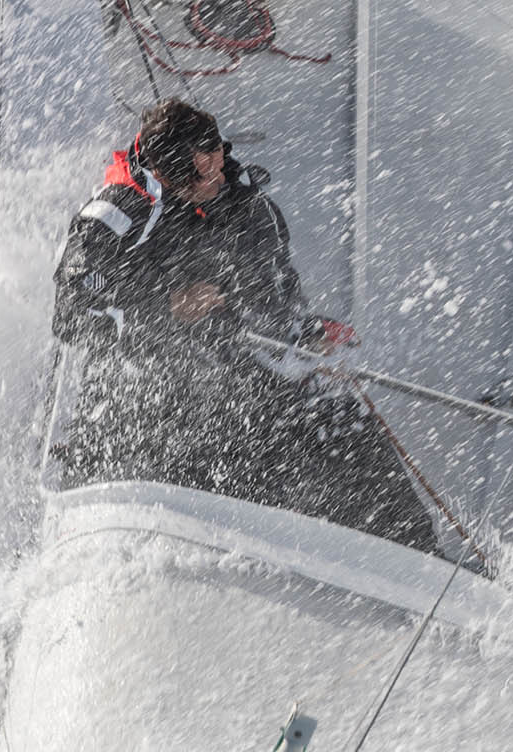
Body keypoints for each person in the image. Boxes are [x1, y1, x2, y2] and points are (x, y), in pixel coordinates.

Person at [51, 97, 441, 552]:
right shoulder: (113, 218)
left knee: (341, 425)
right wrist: (164, 307)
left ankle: (412, 563)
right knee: (218, 449)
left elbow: (276, 311)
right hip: (144, 413)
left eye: (217, 162)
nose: (215, 180)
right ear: (162, 172)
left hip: (236, 397)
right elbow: (70, 314)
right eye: (198, 177)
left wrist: (307, 336)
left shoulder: (250, 210)